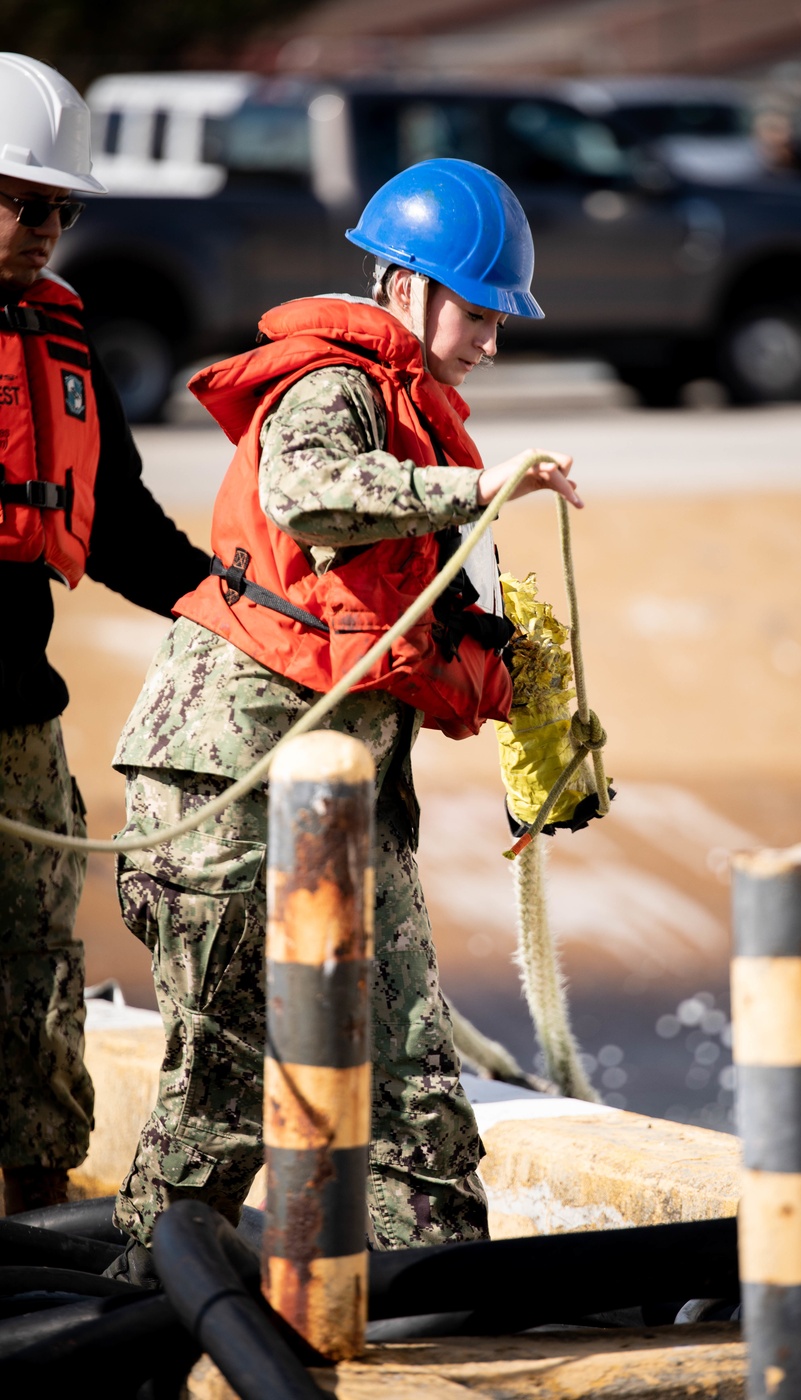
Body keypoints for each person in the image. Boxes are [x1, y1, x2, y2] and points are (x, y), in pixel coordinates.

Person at [104, 157, 581, 1284]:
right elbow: (305, 493)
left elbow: (403, 628)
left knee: (414, 1081)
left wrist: (516, 691)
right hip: (220, 785)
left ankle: (441, 1317)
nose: (490, 344)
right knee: (216, 1096)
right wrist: (474, 490)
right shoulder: (335, 387)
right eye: (477, 313)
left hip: (344, 797)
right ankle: (129, 1318)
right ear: (407, 291)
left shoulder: (417, 415)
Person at [0, 53, 210, 1215]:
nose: (47, 231)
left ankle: (34, 1225)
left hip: (19, 723)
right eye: (26, 202)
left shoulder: (61, 337)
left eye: (61, 210)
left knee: (38, 973)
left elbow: (120, 522)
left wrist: (230, 605)